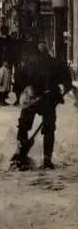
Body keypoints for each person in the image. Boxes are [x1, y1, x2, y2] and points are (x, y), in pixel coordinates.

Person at [15, 40, 73, 169]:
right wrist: (62, 89)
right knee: (48, 128)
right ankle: (47, 159)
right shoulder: (55, 63)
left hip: (36, 99)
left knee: (24, 124)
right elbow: (67, 81)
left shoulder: (30, 64)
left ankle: (21, 152)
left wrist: (25, 89)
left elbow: (18, 79)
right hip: (47, 99)